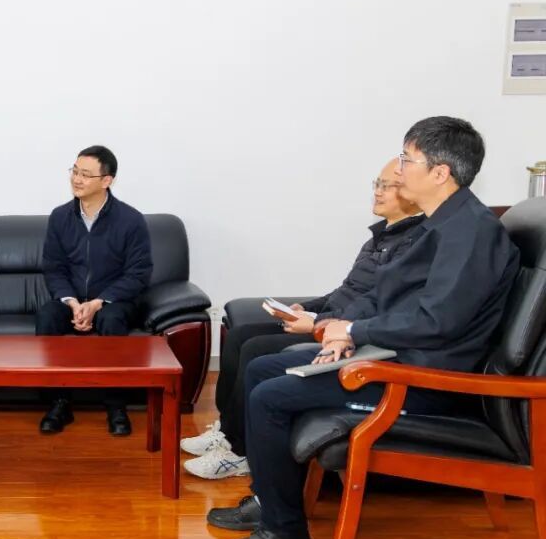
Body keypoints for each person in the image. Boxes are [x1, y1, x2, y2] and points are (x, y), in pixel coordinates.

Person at [207, 117, 519, 539]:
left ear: (440, 173)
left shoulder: (471, 233)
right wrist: (342, 330)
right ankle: (270, 499)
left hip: (424, 381)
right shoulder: (440, 224)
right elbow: (390, 295)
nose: (399, 169)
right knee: (261, 369)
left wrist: (355, 332)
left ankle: (284, 532)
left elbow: (438, 321)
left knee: (270, 397)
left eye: (408, 159)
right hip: (397, 356)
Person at [180, 158, 424, 479]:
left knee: (254, 349)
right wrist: (305, 308)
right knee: (239, 336)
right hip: (329, 320)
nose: (377, 192)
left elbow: (378, 305)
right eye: (376, 184)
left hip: (341, 334)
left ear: (412, 193)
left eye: (387, 186)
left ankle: (239, 453)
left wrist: (318, 323)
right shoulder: (380, 236)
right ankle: (227, 431)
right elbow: (347, 290)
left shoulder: (412, 244)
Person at [37, 145, 153, 437]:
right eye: (75, 171)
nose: (77, 179)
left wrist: (99, 302)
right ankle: (59, 403)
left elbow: (139, 273)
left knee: (112, 320)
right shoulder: (60, 217)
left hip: (114, 300)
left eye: (85, 174)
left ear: (106, 180)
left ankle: (116, 406)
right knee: (48, 316)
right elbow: (53, 268)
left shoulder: (130, 220)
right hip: (72, 299)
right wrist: (72, 302)